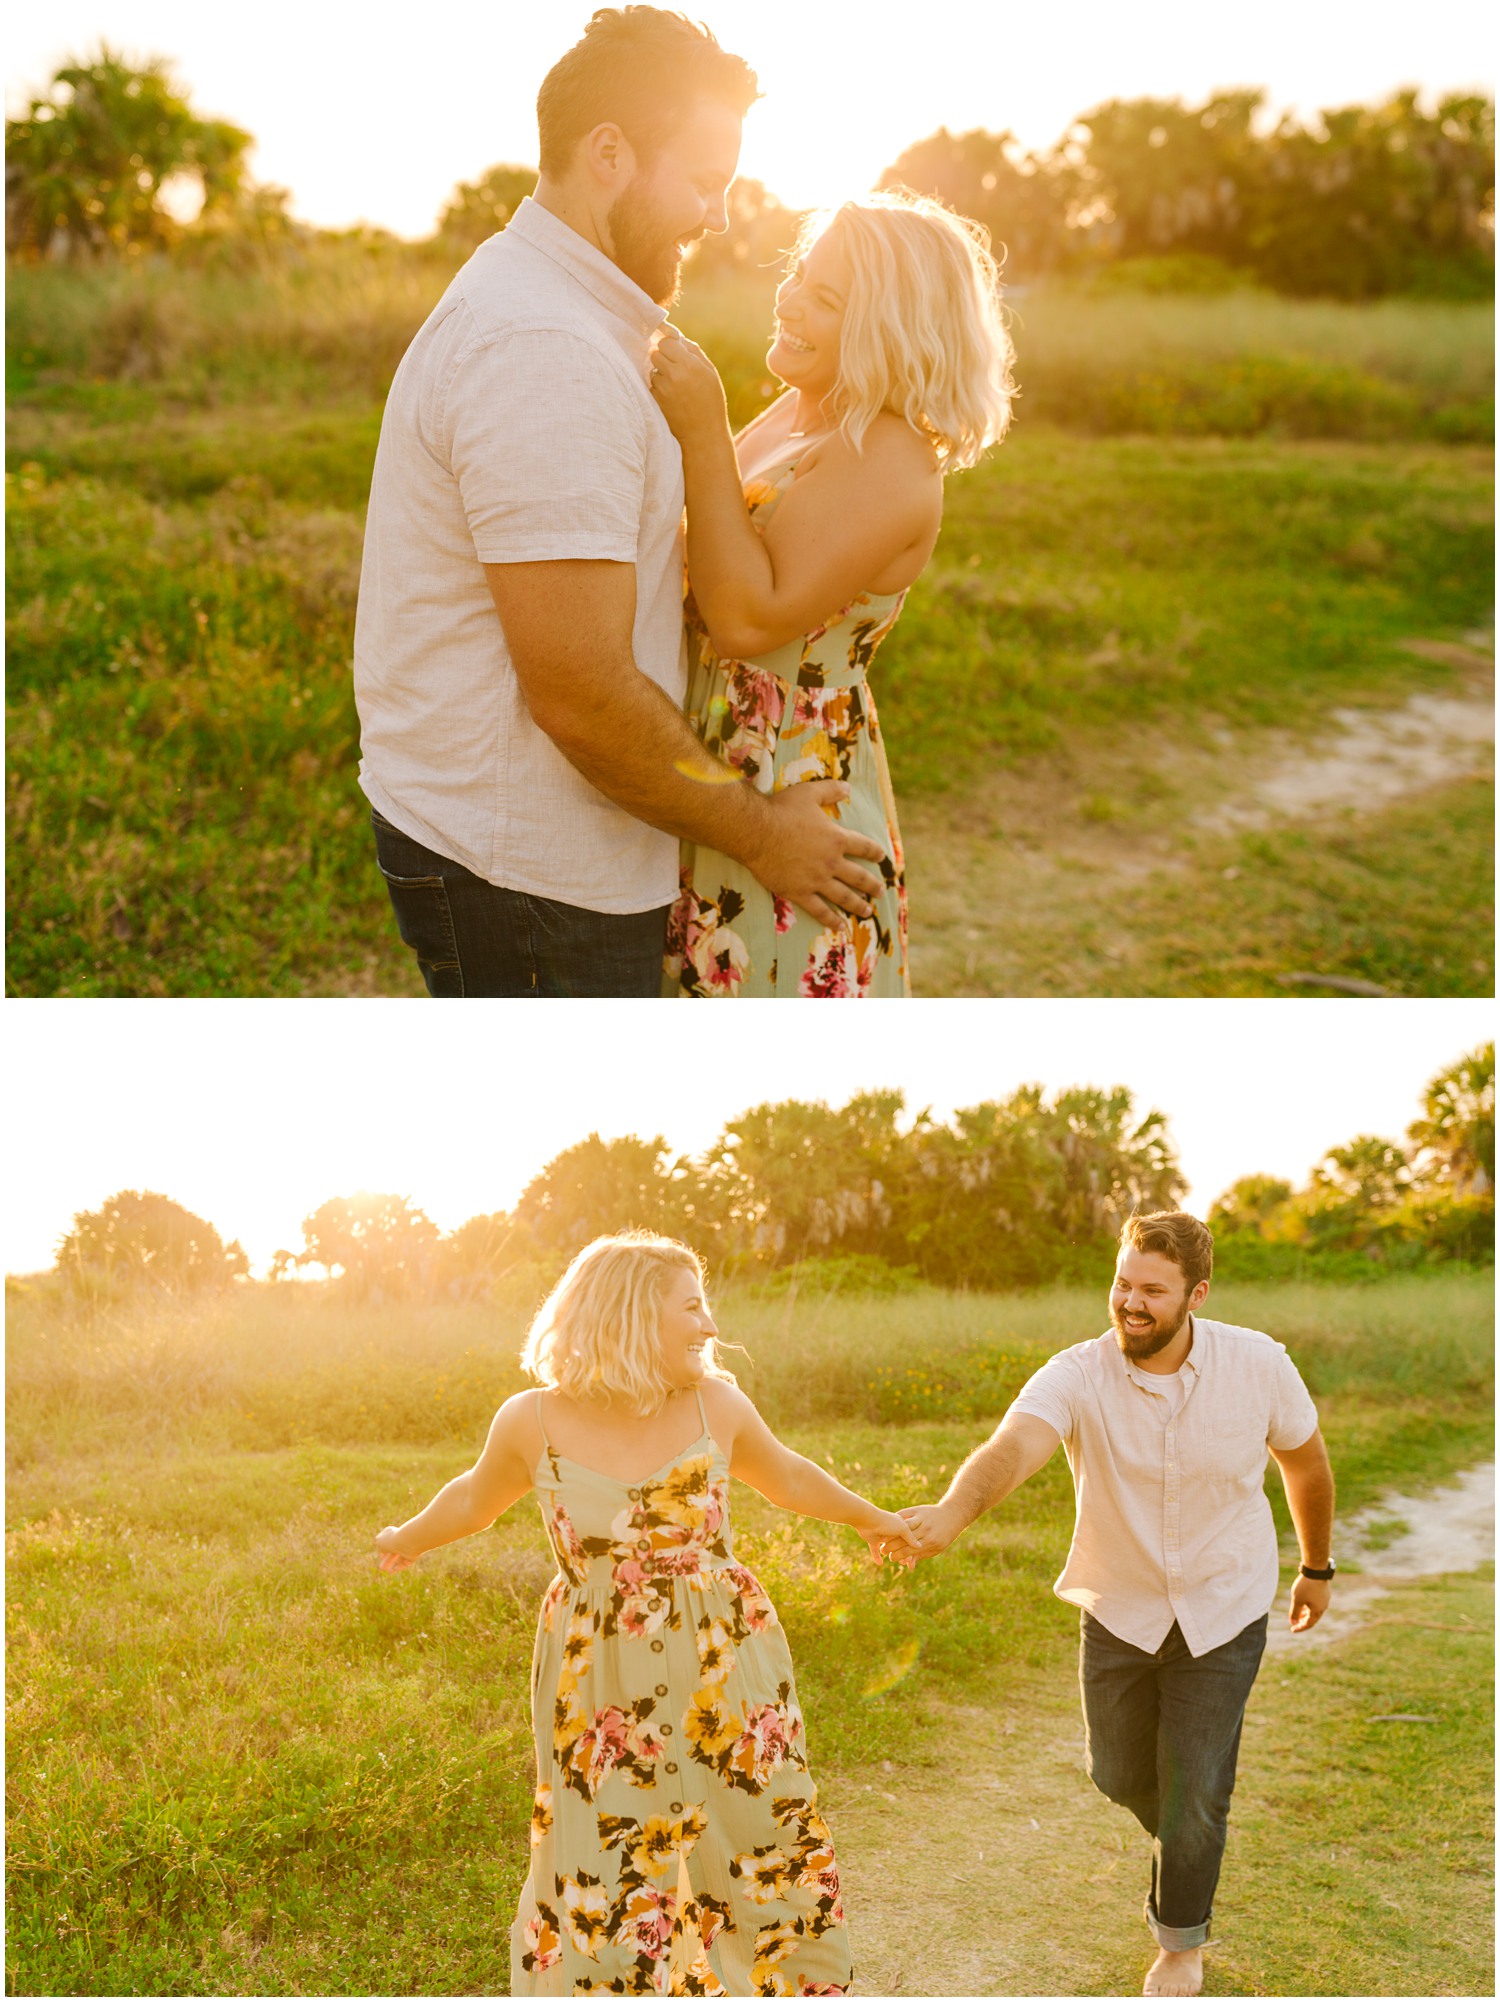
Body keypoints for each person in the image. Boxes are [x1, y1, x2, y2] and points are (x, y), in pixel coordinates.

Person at [353, 7, 885, 997]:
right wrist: (764, 834)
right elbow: (582, 695)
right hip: (525, 874)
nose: (718, 216)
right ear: (608, 154)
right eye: (702, 182)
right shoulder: (545, 350)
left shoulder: (562, 311)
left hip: (517, 845)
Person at [375, 1232, 916, 1993]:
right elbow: (471, 1499)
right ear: (633, 1315)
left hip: (725, 1657)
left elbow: (789, 1477)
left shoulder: (714, 1404)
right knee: (606, 1858)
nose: (709, 1325)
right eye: (692, 1306)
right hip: (599, 1680)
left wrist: (873, 1517)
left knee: (759, 1835)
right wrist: (407, 1536)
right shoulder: (530, 1421)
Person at [894, 1211, 1337, 1999]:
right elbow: (1013, 1446)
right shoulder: (1077, 1372)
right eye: (1122, 1284)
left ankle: (1180, 1942)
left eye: (1153, 1292)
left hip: (1222, 1606)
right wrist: (953, 1514)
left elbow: (1304, 1463)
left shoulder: (1257, 1364)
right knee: (1118, 1772)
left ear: (1195, 1294)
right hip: (1120, 1610)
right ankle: (1189, 1837)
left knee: (1195, 1789)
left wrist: (1316, 1567)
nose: (1131, 1303)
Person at [647, 189, 1014, 997]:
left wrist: (703, 430)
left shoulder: (889, 455)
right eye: (798, 277)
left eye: (828, 299)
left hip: (790, 796)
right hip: (718, 776)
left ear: (891, 327)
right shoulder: (801, 412)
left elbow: (746, 619)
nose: (791, 303)